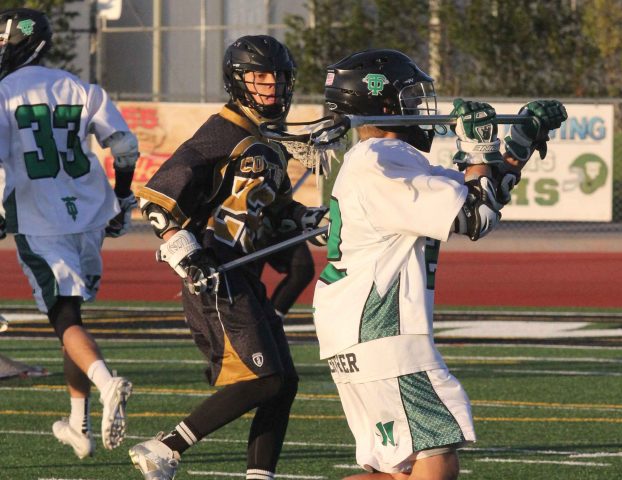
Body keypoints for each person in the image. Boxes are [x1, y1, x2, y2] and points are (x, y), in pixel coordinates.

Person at [312, 48, 566, 479]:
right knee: (437, 449)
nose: (419, 109)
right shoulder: (381, 160)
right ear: (383, 103)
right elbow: (475, 218)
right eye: (409, 100)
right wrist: (476, 146)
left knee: (395, 468)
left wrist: (515, 148)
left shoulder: (383, 160)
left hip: (356, 328)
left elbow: (479, 196)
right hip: (380, 328)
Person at [130, 35, 324, 480]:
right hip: (217, 275)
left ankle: (260, 476)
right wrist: (188, 254)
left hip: (246, 276)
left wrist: (315, 218)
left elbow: (275, 215)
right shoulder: (223, 132)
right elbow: (157, 199)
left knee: (284, 384)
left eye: (277, 79)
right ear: (237, 82)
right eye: (259, 78)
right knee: (265, 380)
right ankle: (165, 447)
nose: (270, 87)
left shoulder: (266, 144)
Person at [0, 8, 137, 459]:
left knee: (64, 318)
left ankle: (106, 381)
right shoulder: (79, 87)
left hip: (41, 220)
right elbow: (124, 146)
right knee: (72, 318)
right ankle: (78, 423)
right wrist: (121, 198)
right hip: (90, 214)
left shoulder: (3, 93)